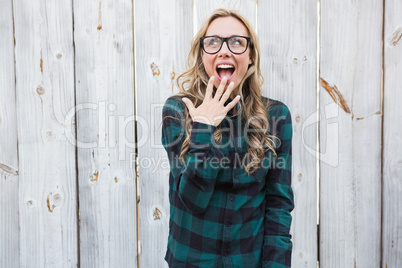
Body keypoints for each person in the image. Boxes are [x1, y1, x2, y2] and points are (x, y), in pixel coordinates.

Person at [161, 8, 294, 268]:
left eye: (236, 42)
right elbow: (192, 200)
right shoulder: (177, 111)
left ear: (251, 56)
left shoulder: (276, 116)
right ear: (202, 56)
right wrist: (204, 125)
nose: (224, 50)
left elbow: (278, 204)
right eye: (212, 42)